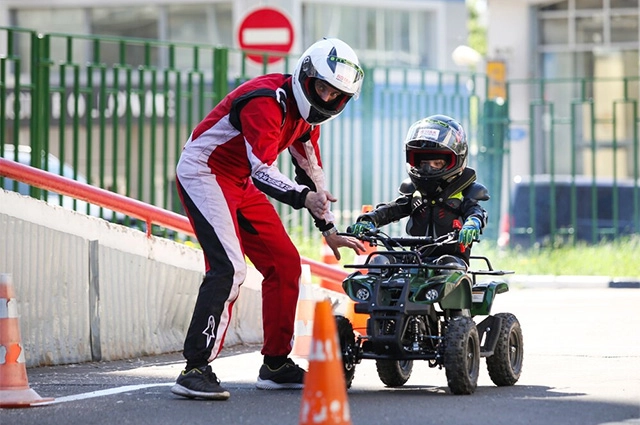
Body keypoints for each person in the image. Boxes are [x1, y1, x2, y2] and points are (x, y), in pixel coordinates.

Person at [170, 38, 366, 401]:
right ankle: (194, 367)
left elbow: (311, 171)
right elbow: (264, 171)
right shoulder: (266, 101)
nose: (325, 98)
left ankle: (276, 365)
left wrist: (330, 230)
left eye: (334, 94)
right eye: (321, 87)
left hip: (239, 180)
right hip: (205, 171)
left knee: (286, 263)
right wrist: (303, 198)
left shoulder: (306, 119)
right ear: (305, 76)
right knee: (229, 268)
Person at [348, 114, 489, 266]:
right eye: (424, 163)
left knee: (447, 267)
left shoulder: (466, 192)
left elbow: (476, 212)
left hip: (452, 260)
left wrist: (472, 223)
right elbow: (392, 210)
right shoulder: (415, 193)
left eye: (437, 162)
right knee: (378, 261)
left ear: (455, 160)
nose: (429, 168)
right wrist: (369, 220)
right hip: (416, 257)